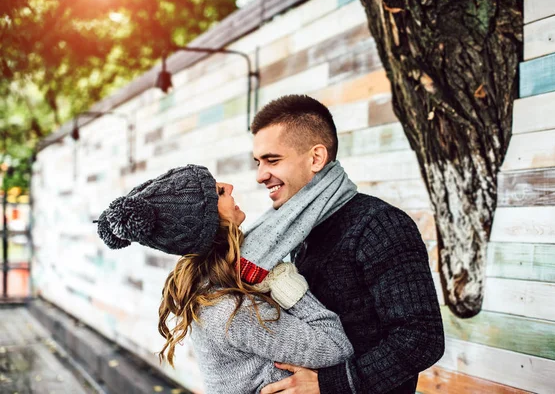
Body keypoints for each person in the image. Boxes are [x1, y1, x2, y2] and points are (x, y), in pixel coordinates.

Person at [95, 164, 354, 394]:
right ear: (207, 223)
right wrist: (283, 280)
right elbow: (336, 347)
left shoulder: (211, 287)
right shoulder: (232, 310)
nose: (229, 186)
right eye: (219, 192)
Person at [251, 95, 445, 394]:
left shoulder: (379, 225)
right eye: (258, 162)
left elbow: (421, 338)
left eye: (272, 160)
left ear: (316, 158)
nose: (261, 175)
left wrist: (328, 384)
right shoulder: (301, 230)